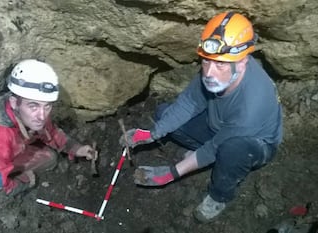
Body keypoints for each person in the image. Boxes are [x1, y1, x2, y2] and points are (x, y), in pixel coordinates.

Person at [121, 12, 283, 222]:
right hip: (219, 125)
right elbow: (189, 103)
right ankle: (201, 157)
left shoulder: (254, 103)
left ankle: (220, 195)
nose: (208, 73)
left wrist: (172, 173)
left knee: (231, 151)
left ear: (242, 62)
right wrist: (151, 134)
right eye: (205, 62)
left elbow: (216, 146)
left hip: (253, 146)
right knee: (164, 114)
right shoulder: (216, 73)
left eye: (220, 65)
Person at [0, 59, 96, 196]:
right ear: (14, 102)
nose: (42, 116)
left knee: (49, 158)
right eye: (33, 106)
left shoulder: (26, 111)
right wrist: (22, 182)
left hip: (9, 150)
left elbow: (50, 132)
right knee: (36, 165)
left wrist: (75, 148)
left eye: (47, 106)